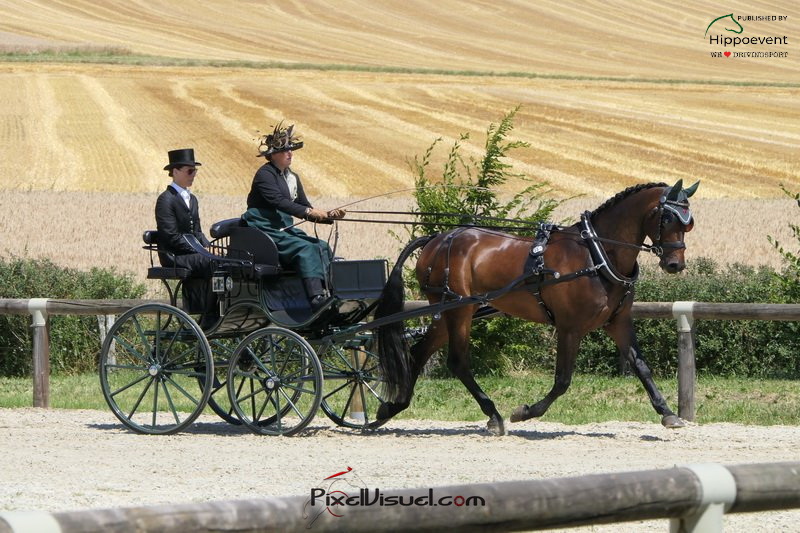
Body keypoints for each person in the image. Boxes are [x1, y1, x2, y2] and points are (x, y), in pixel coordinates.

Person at [242, 123, 345, 310]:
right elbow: (279, 201)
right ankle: (315, 298)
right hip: (264, 228)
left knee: (321, 246)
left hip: (283, 228)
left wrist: (329, 215)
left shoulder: (292, 177)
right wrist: (308, 212)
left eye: (291, 150)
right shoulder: (264, 175)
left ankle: (332, 292)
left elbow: (305, 206)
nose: (290, 154)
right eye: (285, 151)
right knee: (305, 248)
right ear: (273, 155)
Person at [155, 148, 218, 325]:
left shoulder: (193, 199)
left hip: (190, 253)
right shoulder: (166, 200)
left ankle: (217, 309)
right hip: (173, 256)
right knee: (212, 262)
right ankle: (209, 314)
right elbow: (171, 236)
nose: (193, 175)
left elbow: (197, 231)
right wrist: (201, 251)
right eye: (189, 171)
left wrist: (209, 247)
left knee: (225, 260)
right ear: (175, 172)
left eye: (195, 171)